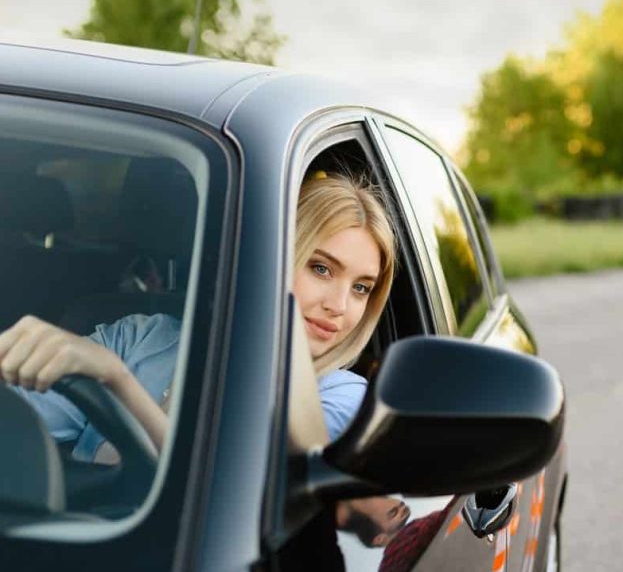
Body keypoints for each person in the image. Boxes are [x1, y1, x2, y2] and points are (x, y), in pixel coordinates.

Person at [0, 171, 396, 460]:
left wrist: (117, 380)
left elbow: (230, 493)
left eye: (361, 288)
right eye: (321, 269)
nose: (339, 306)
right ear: (271, 259)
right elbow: (15, 419)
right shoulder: (141, 338)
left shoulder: (343, 398)